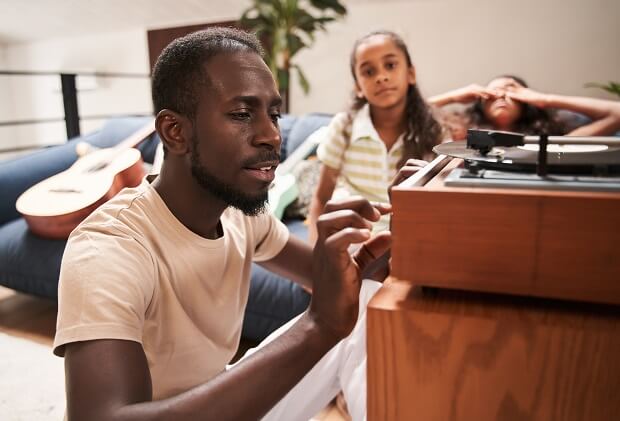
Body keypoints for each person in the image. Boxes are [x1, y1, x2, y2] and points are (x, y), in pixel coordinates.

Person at [53, 27, 392, 421]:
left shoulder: (240, 213)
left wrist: (407, 228)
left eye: (274, 114)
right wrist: (318, 327)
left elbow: (335, 281)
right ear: (175, 132)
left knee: (365, 299)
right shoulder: (109, 248)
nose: (271, 135)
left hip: (216, 397)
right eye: (242, 114)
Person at [307, 30, 445, 245]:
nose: (381, 77)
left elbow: (440, 204)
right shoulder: (344, 127)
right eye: (369, 71)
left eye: (390, 65)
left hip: (409, 241)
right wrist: (314, 261)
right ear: (358, 88)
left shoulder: (434, 129)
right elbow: (321, 198)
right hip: (353, 242)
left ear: (411, 74)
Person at [429, 75, 620, 137]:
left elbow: (617, 114)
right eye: (492, 93)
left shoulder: (553, 145)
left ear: (526, 102)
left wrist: (546, 100)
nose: (502, 95)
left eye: (511, 91)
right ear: (480, 105)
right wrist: (452, 97)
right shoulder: (461, 134)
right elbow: (402, 115)